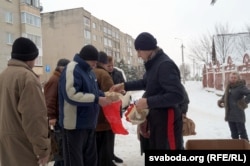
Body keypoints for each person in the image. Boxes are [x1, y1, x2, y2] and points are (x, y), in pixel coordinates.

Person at [111, 32, 185, 150]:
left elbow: (177, 95)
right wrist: (124, 85)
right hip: (158, 118)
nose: (138, 55)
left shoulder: (165, 65)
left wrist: (148, 102)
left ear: (147, 49)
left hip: (167, 118)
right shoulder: (154, 63)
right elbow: (146, 83)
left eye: (139, 51)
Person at [58, 44, 112, 166]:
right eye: (93, 62)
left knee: (90, 161)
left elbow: (94, 92)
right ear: (85, 59)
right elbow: (71, 95)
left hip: (89, 124)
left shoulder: (90, 72)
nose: (95, 65)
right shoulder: (72, 69)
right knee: (75, 162)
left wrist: (107, 95)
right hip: (74, 126)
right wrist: (97, 99)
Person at [0, 37, 50, 166]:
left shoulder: (4, 75)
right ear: (30, 58)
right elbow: (34, 117)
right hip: (24, 143)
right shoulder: (28, 79)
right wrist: (42, 149)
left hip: (6, 140)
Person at [44, 58, 70, 166]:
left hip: (61, 117)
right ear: (61, 68)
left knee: (62, 147)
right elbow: (49, 99)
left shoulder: (59, 79)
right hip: (57, 119)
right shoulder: (55, 80)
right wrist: (51, 117)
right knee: (60, 146)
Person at [93, 51, 117, 166]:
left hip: (92, 120)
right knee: (105, 152)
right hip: (104, 120)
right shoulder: (104, 74)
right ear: (104, 62)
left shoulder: (89, 72)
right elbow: (111, 96)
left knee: (95, 153)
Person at [217, 71, 250, 142]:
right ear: (229, 78)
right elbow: (225, 96)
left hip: (238, 114)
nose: (233, 79)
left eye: (235, 78)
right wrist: (221, 101)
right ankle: (236, 147)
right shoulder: (229, 87)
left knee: (243, 134)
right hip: (230, 114)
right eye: (231, 77)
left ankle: (246, 147)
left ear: (238, 78)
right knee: (234, 134)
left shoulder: (241, 86)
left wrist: (243, 102)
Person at [106, 55, 124, 163]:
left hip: (116, 106)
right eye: (108, 66)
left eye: (112, 65)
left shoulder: (118, 73)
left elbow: (123, 85)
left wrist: (123, 91)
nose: (111, 67)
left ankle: (111, 154)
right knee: (106, 134)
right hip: (106, 107)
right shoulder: (102, 74)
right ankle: (107, 156)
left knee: (112, 133)